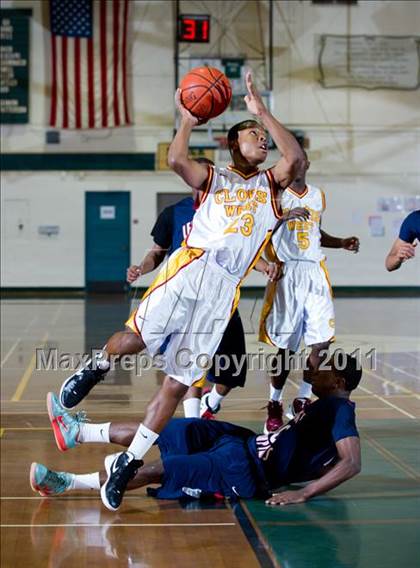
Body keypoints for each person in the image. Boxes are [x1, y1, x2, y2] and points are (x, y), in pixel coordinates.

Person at [55, 71, 306, 511]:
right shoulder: (214, 177)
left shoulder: (270, 187)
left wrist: (262, 112)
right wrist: (187, 119)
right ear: (233, 145)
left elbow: (296, 158)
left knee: (176, 383)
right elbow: (175, 160)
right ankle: (94, 367)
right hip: (190, 269)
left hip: (221, 293)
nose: (262, 141)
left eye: (264, 136)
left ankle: (128, 464)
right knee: (133, 339)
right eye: (253, 135)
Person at [31, 353, 362, 506]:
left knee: (166, 468)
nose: (313, 370)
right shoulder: (324, 405)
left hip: (247, 470)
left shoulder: (340, 410)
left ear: (339, 381)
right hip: (243, 443)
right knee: (176, 430)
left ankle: (68, 483)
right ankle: (78, 432)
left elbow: (352, 462)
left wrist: (304, 493)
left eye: (323, 369)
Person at [127, 157, 281, 419]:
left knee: (233, 370)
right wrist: (141, 268)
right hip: (184, 294)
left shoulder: (230, 210)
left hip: (220, 296)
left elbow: (240, 251)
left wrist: (264, 266)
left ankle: (213, 401)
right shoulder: (174, 213)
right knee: (189, 364)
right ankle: (193, 420)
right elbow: (157, 252)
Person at [259, 151, 360, 432]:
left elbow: (316, 232)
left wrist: (340, 242)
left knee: (321, 341)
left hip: (315, 271)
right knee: (286, 347)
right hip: (287, 271)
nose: (297, 164)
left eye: (301, 160)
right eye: (292, 160)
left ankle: (302, 399)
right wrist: (284, 215)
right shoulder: (274, 195)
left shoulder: (317, 195)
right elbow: (260, 229)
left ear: (306, 164)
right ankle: (274, 402)